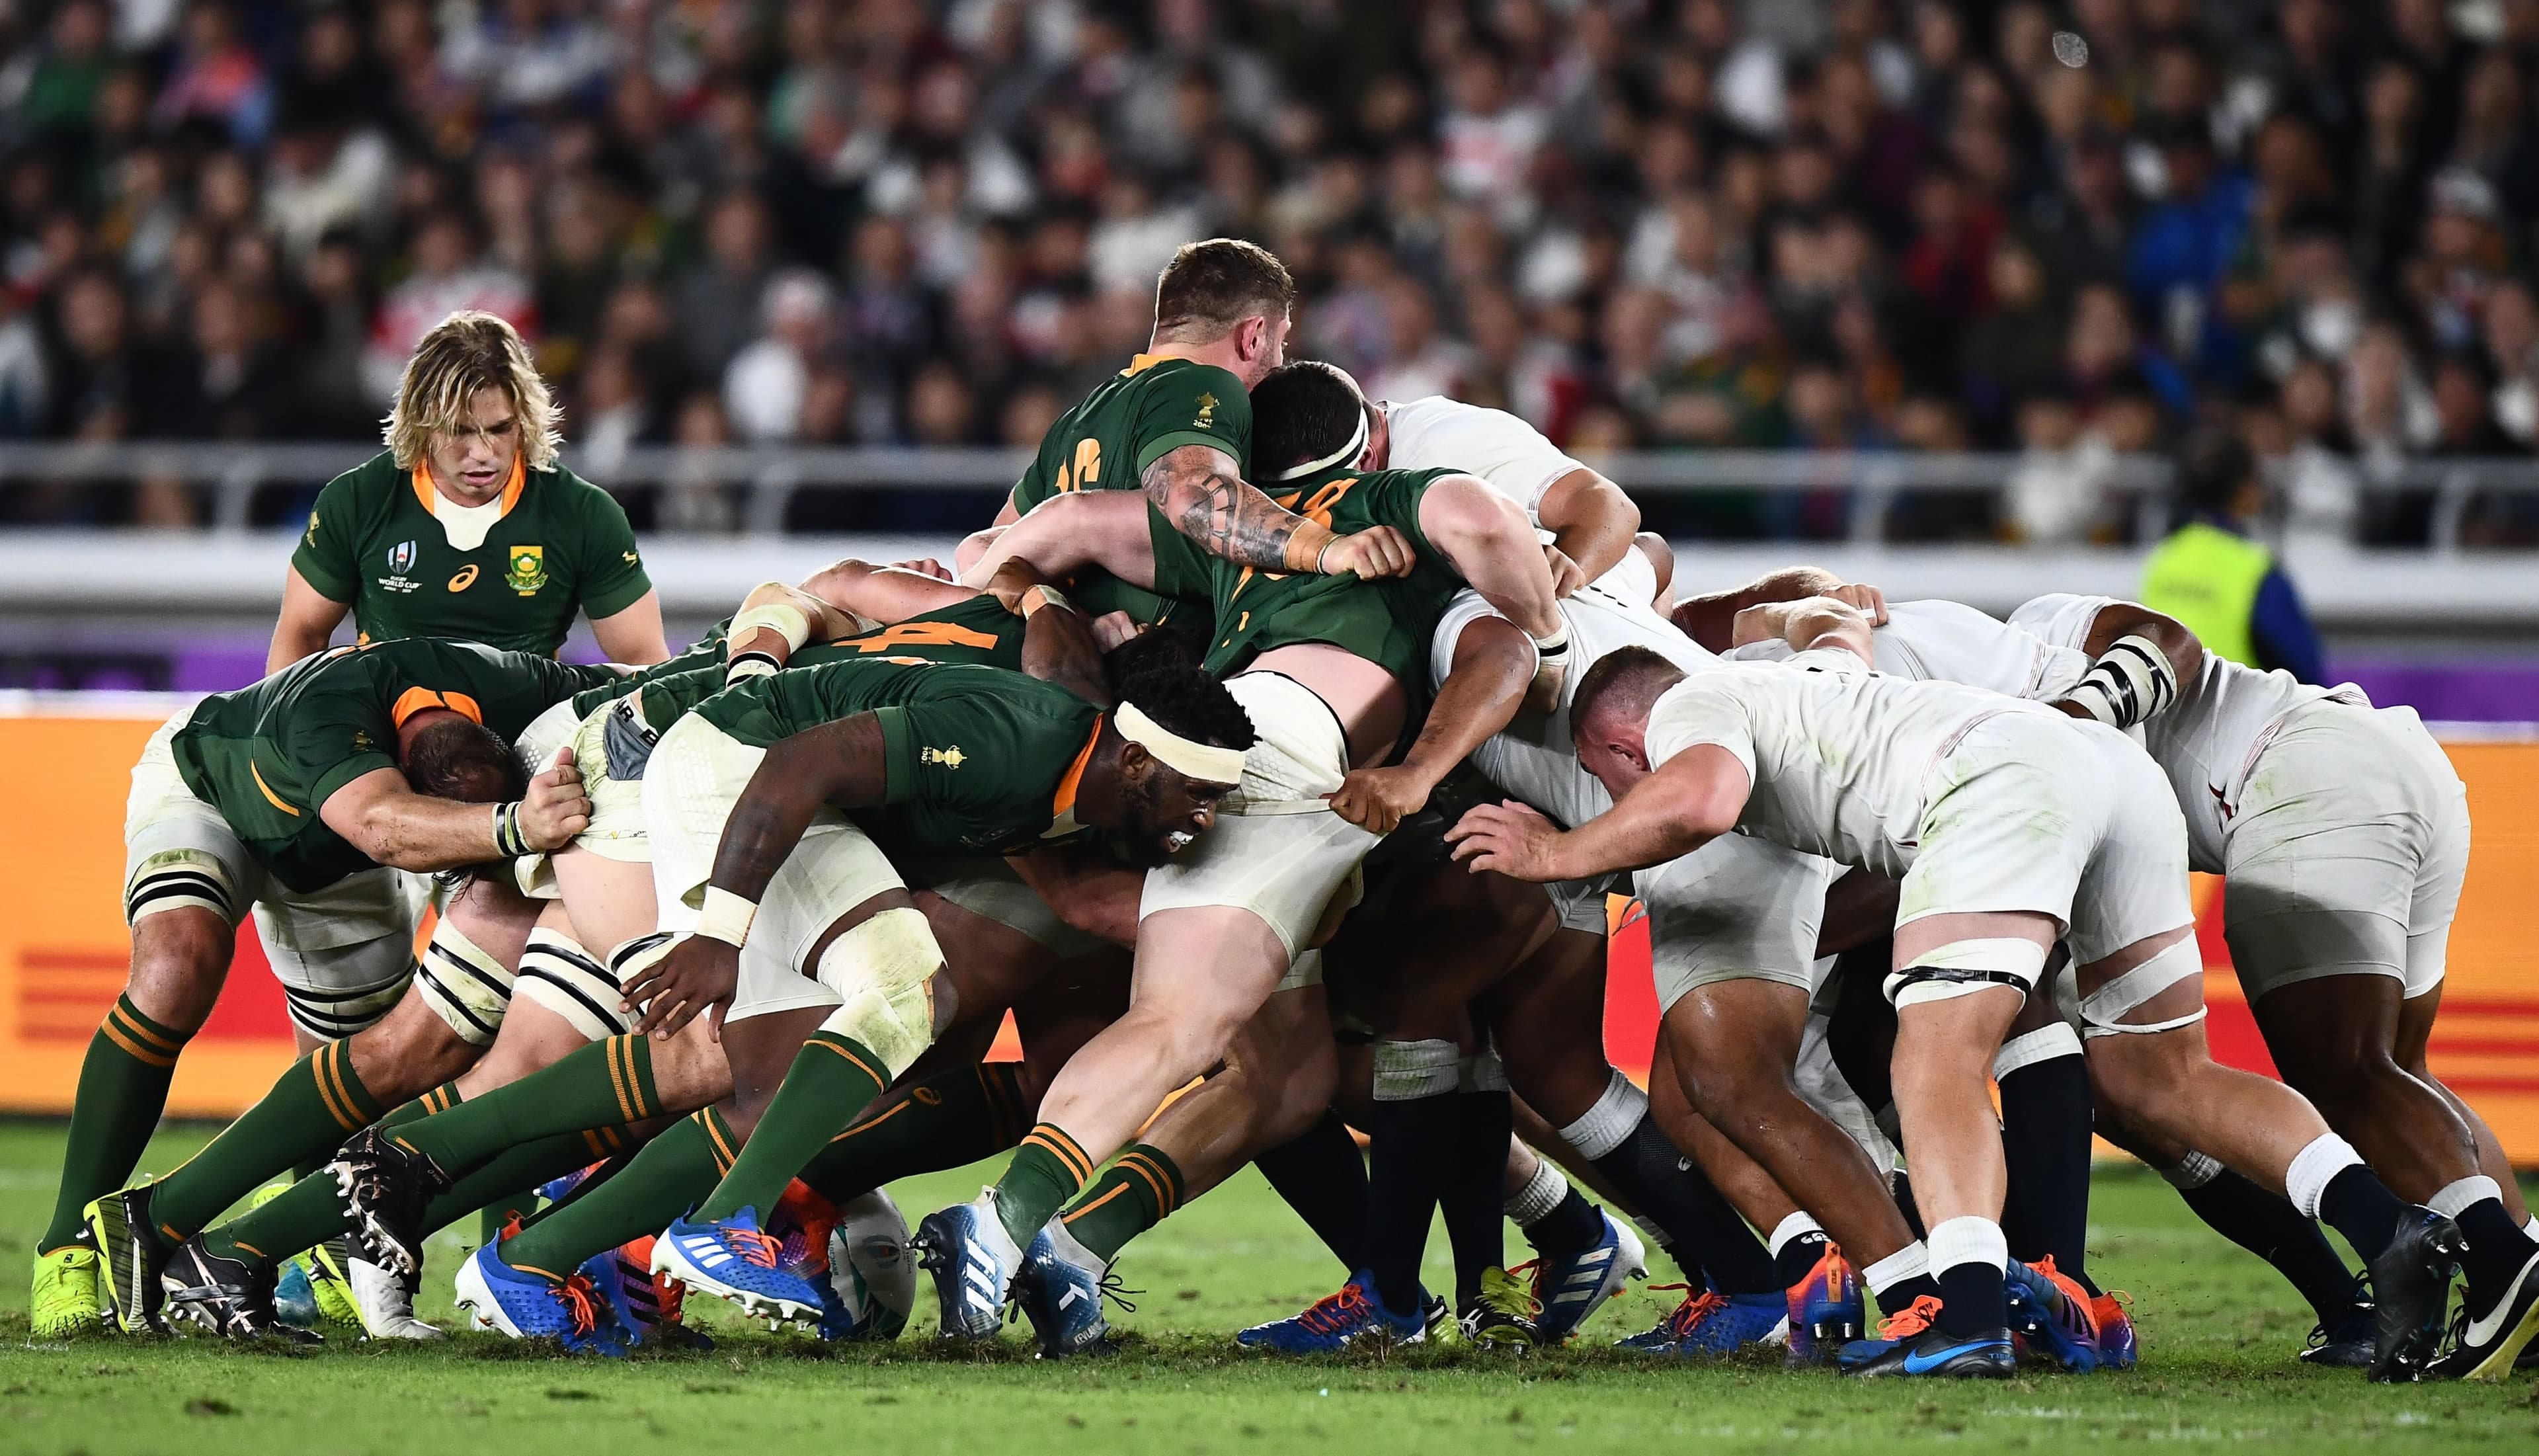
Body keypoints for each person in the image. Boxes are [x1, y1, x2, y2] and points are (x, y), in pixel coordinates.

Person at [1445, 601, 2462, 1381]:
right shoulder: (1806, 676)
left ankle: (1969, 1316)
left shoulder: (1694, 708)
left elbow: (1699, 796)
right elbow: (1833, 631)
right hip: (2115, 773)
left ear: (1627, 744)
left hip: (1999, 782)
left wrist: (1556, 850)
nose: (1628, 794)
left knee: (1932, 1058)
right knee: (2165, 1074)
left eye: (1617, 776)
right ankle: (2390, 1229)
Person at [916, 358, 1564, 1348]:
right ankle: (1000, 1224)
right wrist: (1548, 635)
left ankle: (1076, 1251)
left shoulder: (1236, 536)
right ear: (1371, 443)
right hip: (1290, 763)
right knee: (1176, 1023)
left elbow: (1066, 524)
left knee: (1288, 1071)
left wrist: (988, 563)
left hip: (1229, 750)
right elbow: (1482, 524)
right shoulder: (1395, 498)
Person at [2012, 591, 2539, 1381]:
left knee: (2348, 1076)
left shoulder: (2009, 650)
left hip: (2300, 776)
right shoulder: (1986, 661)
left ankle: (2502, 1268)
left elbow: (2162, 638)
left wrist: (2080, 711)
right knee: (2398, 1070)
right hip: (2396, 762)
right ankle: (2523, 1270)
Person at [49, 637, 612, 1336]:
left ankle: (292, 1247)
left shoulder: (523, 686)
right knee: (176, 966)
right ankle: (68, 1244)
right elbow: (380, 828)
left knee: (379, 1061)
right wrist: (513, 826)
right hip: (214, 783)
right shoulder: (333, 713)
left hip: (336, 854)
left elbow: (635, 677)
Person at [268, 310, 669, 671]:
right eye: (459, 431)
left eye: (500, 429)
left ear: (525, 420)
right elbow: (300, 635)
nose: (482, 454)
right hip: (388, 728)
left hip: (523, 738)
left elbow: (645, 660)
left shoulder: (582, 513)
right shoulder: (358, 501)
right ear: (421, 423)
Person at [2137, 428, 2323, 684]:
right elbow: (2309, 675)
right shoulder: (2255, 570)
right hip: (2242, 720)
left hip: (2164, 721)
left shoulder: (2161, 561)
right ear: (2246, 490)